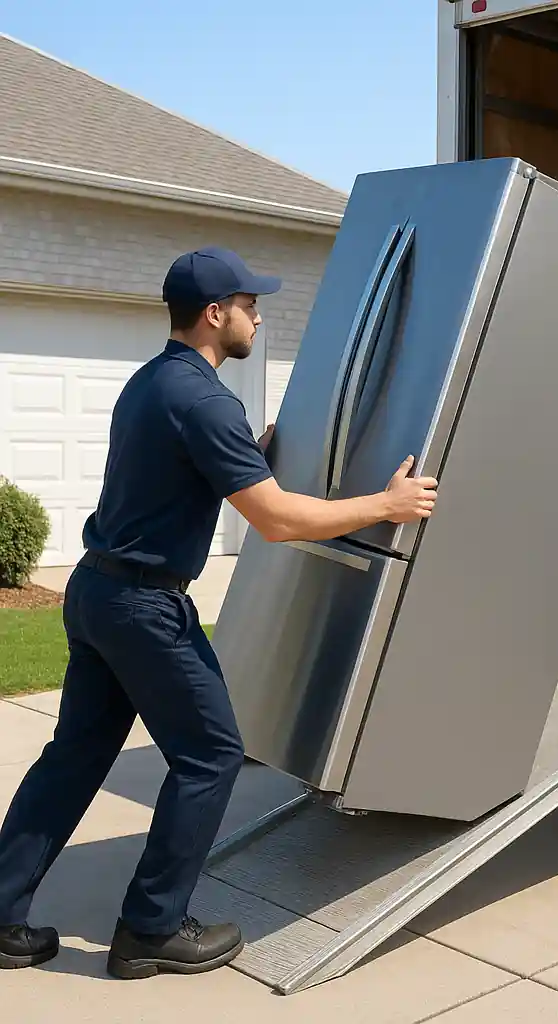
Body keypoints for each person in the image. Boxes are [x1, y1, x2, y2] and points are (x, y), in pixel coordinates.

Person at [0, 247, 437, 978]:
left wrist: (247, 452)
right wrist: (388, 506)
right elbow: (277, 521)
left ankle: (3, 913)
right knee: (210, 757)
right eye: (250, 305)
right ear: (215, 314)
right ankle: (151, 930)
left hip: (97, 592)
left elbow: (174, 473)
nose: (259, 317)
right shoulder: (203, 400)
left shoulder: (153, 384)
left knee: (73, 755)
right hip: (144, 607)